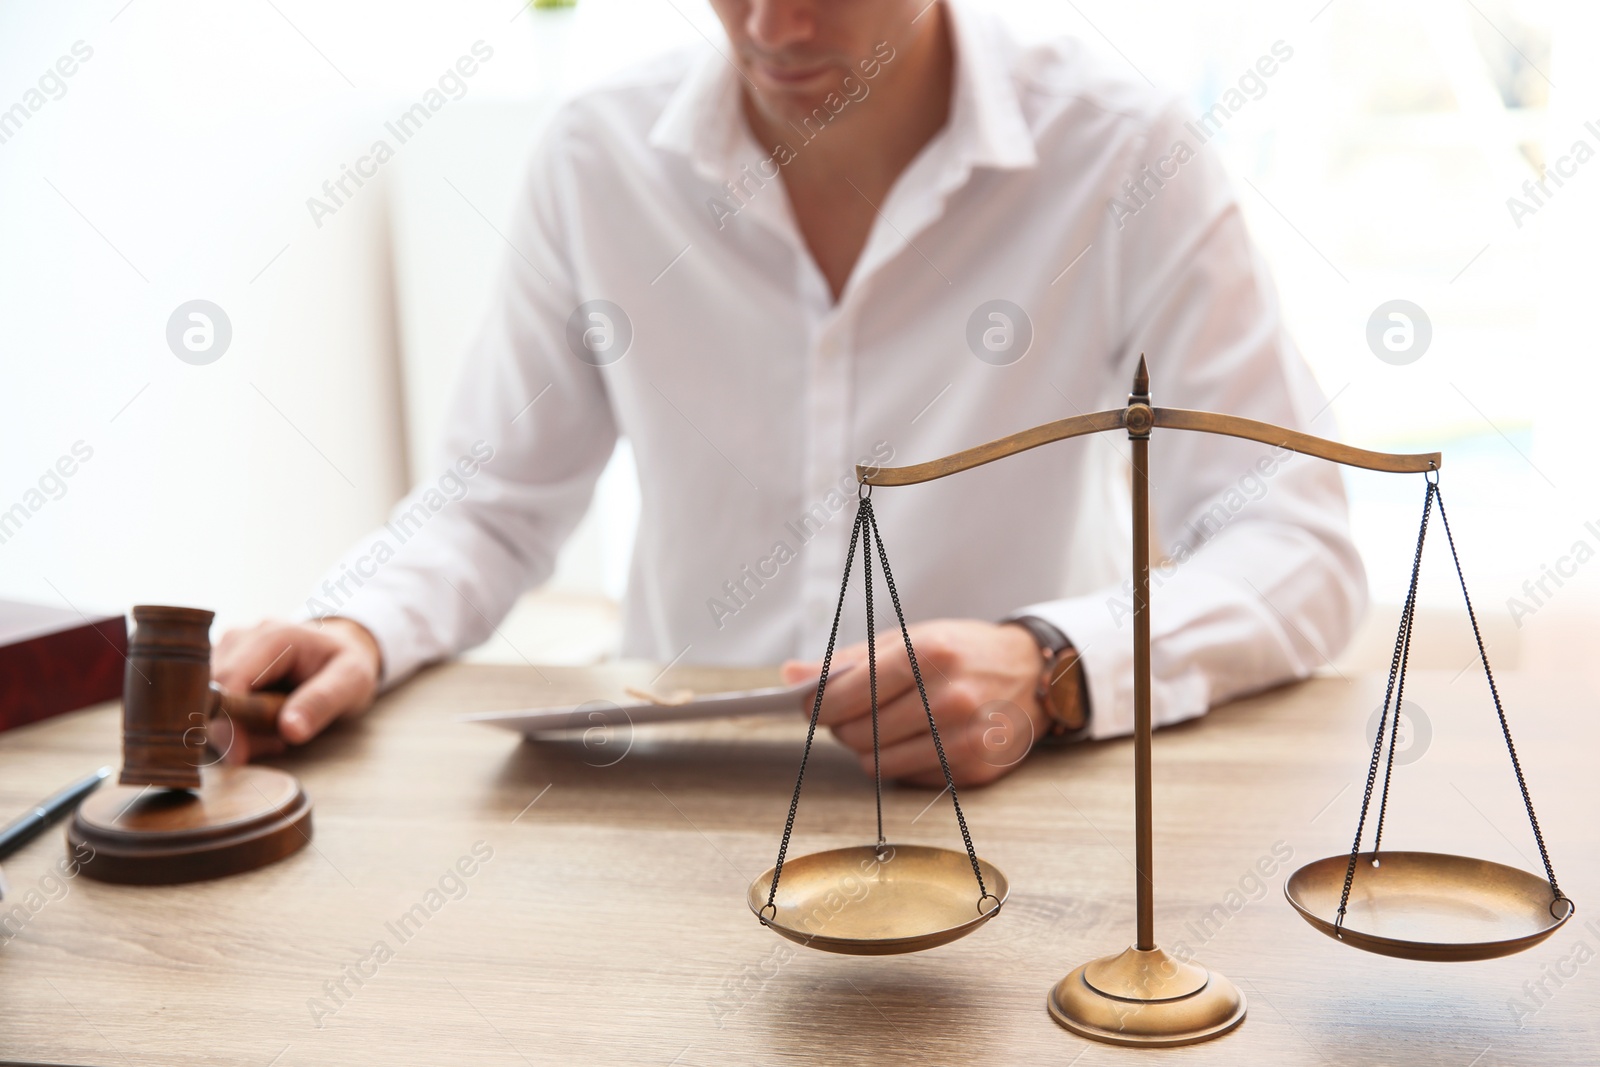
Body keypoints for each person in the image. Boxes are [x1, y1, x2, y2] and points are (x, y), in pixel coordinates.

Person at [213, 0, 1366, 786]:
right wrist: (357, 618)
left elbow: (1298, 540)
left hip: (1013, 795)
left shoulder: (1122, 153)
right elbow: (493, 498)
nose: (772, 26)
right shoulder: (596, 157)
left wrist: (1053, 662)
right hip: (675, 801)